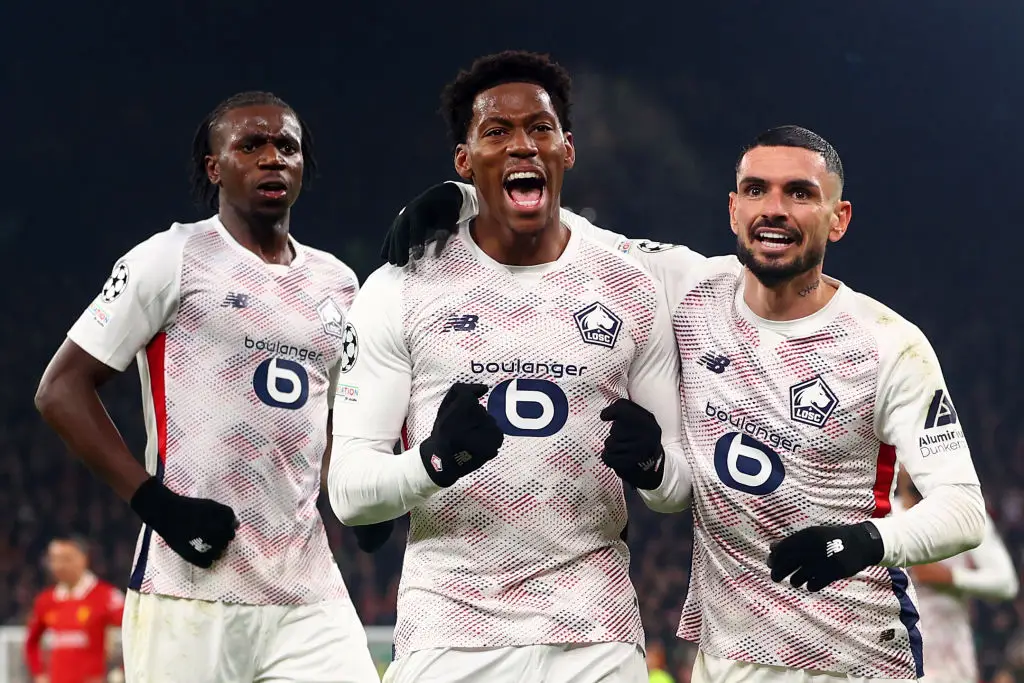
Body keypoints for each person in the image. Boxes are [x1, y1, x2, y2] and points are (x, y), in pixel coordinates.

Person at [383, 124, 987, 681]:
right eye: (756, 190)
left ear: (839, 218)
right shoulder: (690, 287)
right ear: (733, 209)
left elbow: (962, 509)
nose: (774, 209)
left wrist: (863, 542)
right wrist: (463, 199)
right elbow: (568, 233)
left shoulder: (889, 344)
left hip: (856, 653)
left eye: (800, 194)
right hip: (725, 658)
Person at [328, 51, 691, 683]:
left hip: (596, 634)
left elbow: (678, 490)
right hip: (448, 634)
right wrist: (433, 464)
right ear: (465, 162)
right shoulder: (400, 285)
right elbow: (350, 493)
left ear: (567, 149)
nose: (523, 145)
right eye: (497, 131)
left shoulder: (630, 280)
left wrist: (655, 467)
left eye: (540, 129)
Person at [35, 91, 380, 683]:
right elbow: (61, 389)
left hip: (308, 588)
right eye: (251, 145)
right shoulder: (171, 257)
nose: (272, 157)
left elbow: (334, 419)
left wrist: (362, 495)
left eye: (286, 146)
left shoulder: (340, 283)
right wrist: (155, 504)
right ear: (214, 166)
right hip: (189, 587)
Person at [898, 472, 1018, 683]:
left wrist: (950, 577)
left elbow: (1006, 583)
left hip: (951, 666)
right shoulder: (884, 515)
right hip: (895, 662)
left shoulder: (963, 515)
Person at [24, 535, 124, 683]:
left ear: (83, 559)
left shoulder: (107, 596)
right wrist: (39, 674)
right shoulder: (45, 600)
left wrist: (121, 671)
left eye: (66, 559)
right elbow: (31, 642)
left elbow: (137, 631)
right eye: (54, 560)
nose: (59, 566)